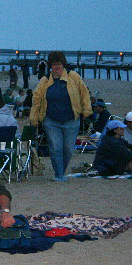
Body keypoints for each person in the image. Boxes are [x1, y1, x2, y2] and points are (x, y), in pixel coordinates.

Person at [30, 51, 92, 182]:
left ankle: (61, 172)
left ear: (63, 65)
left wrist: (87, 111)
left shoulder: (73, 77)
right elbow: (36, 100)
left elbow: (84, 94)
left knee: (68, 149)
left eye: (59, 64)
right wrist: (34, 118)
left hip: (71, 119)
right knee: (55, 147)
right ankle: (59, 175)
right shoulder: (45, 81)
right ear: (50, 66)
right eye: (54, 65)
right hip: (51, 121)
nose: (57, 67)